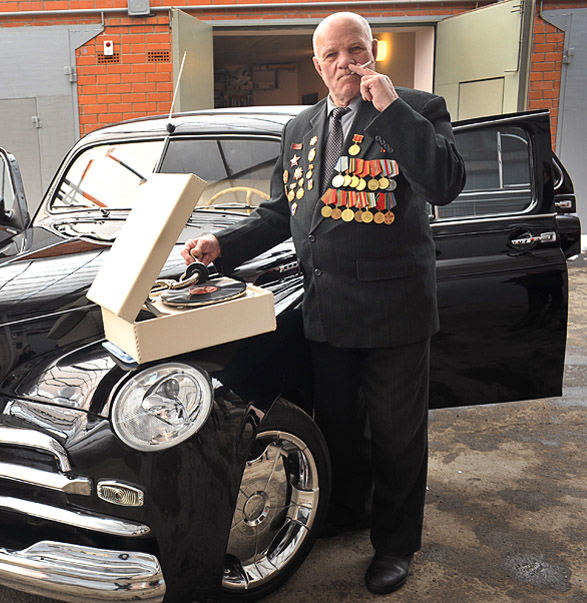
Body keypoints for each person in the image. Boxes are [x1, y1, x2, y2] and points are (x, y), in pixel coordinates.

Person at [182, 11, 466, 595]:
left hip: (394, 312)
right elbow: (280, 212)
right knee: (338, 428)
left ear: (373, 50)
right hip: (327, 308)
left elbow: (445, 183)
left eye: (355, 50)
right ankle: (350, 511)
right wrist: (222, 245)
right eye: (332, 55)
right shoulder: (300, 127)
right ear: (317, 64)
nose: (345, 63)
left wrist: (390, 108)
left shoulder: (417, 108)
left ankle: (395, 544)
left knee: (397, 436)